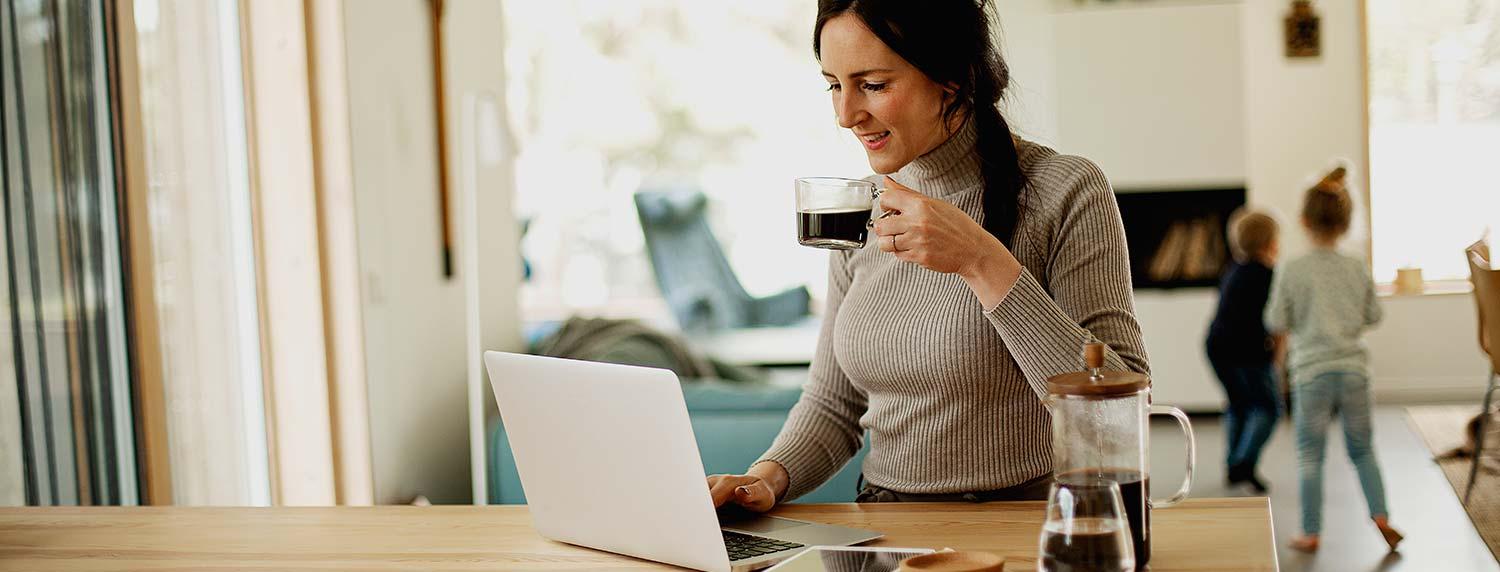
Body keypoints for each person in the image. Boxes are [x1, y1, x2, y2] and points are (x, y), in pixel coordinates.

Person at [706, 0, 1148, 512]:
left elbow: (1118, 414)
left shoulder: (1065, 191)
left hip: (1025, 523)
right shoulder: (861, 205)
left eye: (872, 85)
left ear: (952, 79)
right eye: (834, 85)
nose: (845, 115)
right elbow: (832, 405)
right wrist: (763, 479)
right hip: (885, 525)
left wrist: (983, 261)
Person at [1264, 167, 1404, 553]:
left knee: (1311, 454)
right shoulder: (1356, 265)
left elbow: (1275, 319)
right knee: (1363, 450)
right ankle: (1382, 516)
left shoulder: (1292, 268)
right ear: (1346, 221)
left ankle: (1310, 532)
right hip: (1354, 371)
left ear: (1304, 221)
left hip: (1311, 373)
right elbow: (1374, 315)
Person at [1205, 208, 1282, 494]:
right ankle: (1243, 462)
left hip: (1217, 346)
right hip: (1246, 351)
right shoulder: (1268, 275)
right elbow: (1276, 320)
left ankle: (1233, 465)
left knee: (1238, 404)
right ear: (1270, 243)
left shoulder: (1233, 269)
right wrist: (1277, 356)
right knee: (1268, 408)